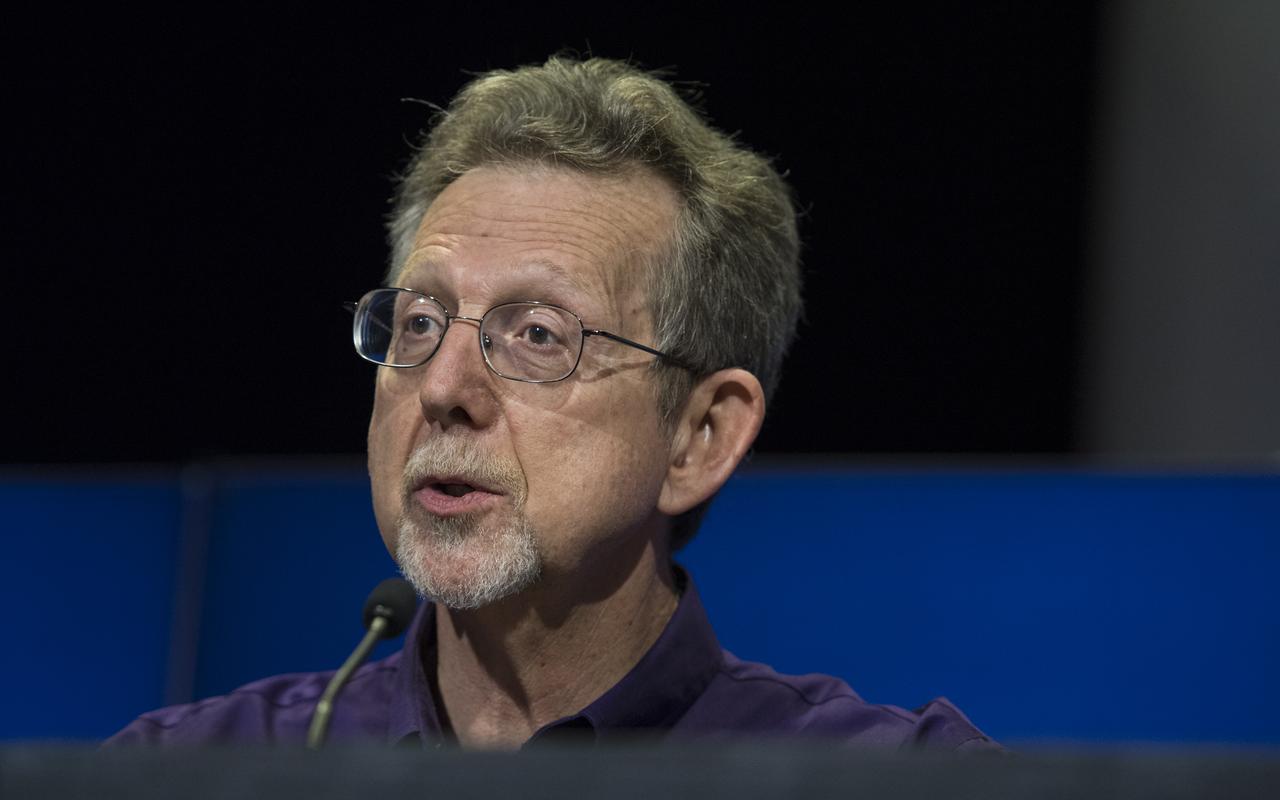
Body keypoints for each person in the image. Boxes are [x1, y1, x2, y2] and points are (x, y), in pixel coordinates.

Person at [109, 56, 997, 751]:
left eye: (538, 334)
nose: (447, 390)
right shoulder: (196, 771)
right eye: (420, 323)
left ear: (701, 435)